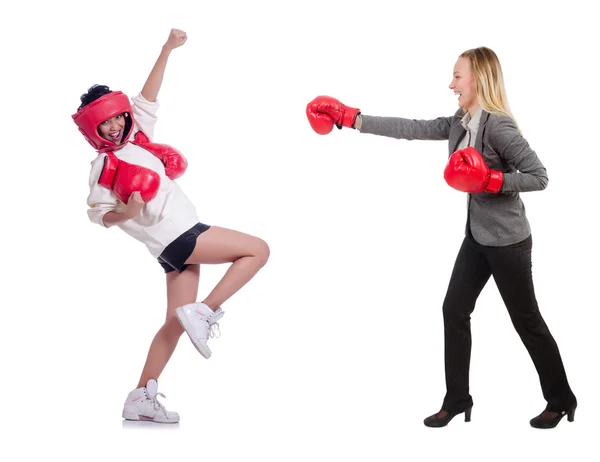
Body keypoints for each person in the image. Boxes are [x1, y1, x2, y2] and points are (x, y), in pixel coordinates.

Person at [306, 46, 576, 429]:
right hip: (477, 238)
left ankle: (562, 398)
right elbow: (415, 128)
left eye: (457, 76)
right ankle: (457, 399)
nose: (451, 84)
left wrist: (492, 180)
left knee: (526, 321)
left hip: (509, 243)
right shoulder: (461, 121)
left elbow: (539, 176)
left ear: (478, 79)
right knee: (454, 310)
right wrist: (354, 119)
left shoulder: (498, 126)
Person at [72, 29, 270, 424]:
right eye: (105, 124)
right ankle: (207, 310)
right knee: (258, 250)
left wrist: (166, 49)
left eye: (117, 118)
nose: (113, 127)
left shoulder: (138, 139)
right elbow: (98, 215)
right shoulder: (103, 166)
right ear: (92, 129)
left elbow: (148, 95)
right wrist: (126, 212)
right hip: (180, 236)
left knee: (174, 323)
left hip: (170, 251)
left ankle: (139, 398)